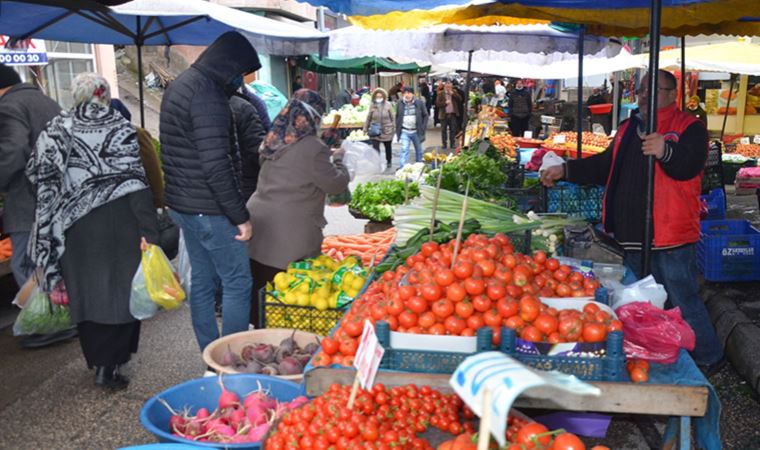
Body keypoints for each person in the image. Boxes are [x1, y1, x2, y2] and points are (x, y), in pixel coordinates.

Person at [540, 70, 725, 374]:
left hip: (670, 235)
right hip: (629, 234)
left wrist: (665, 151)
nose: (643, 96)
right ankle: (655, 353)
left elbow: (689, 168)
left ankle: (709, 356)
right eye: (640, 91)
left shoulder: (689, 128)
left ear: (671, 94)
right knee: (639, 303)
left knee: (682, 298)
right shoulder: (628, 128)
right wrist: (566, 169)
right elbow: (604, 166)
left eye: (652, 91)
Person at [26, 73, 158, 390]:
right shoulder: (119, 129)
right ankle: (110, 367)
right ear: (105, 95)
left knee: (87, 294)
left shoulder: (55, 131)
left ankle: (98, 362)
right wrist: (148, 229)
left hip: (72, 230)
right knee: (119, 296)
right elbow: (137, 185)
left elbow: (38, 180)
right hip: (118, 225)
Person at [159, 31, 259, 354]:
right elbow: (217, 165)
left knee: (202, 281)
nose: (239, 81)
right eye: (240, 72)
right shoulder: (208, 96)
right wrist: (240, 216)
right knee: (237, 281)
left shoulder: (181, 85)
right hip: (210, 209)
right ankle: (229, 360)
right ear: (228, 65)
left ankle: (209, 353)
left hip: (183, 205)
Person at [247, 89, 350, 326]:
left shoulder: (275, 138)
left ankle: (257, 334)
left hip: (260, 223)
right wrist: (339, 160)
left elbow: (296, 166)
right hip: (289, 234)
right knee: (287, 298)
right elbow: (334, 184)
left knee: (262, 290)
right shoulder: (313, 147)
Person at [0, 63, 62, 288]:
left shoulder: (7, 106)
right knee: (56, 265)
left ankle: (46, 320)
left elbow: (13, 149)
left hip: (28, 203)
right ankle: (67, 316)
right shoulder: (48, 102)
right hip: (59, 200)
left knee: (27, 266)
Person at [231, 92, 267, 200]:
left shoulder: (191, 104)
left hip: (200, 190)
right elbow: (257, 149)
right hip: (244, 183)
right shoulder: (243, 107)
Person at [396, 87, 428, 167]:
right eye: (405, 93)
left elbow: (425, 115)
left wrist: (423, 128)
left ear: (413, 94)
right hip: (405, 131)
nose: (407, 95)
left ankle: (419, 166)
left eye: (409, 93)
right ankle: (402, 168)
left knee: (419, 150)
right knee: (404, 149)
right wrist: (397, 128)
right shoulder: (400, 103)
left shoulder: (419, 103)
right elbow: (397, 116)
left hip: (416, 131)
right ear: (403, 94)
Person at [364, 88, 395, 167]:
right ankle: (377, 162)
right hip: (375, 129)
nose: (379, 98)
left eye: (380, 96)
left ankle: (389, 161)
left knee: (388, 146)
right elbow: (368, 117)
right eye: (377, 97)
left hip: (387, 129)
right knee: (375, 147)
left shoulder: (388, 105)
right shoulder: (372, 105)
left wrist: (393, 128)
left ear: (384, 97)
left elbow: (393, 117)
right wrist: (365, 128)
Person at [436, 82, 463, 150]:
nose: (448, 88)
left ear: (451, 87)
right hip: (443, 115)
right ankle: (444, 144)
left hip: (452, 114)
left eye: (450, 87)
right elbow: (437, 104)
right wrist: (445, 103)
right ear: (445, 87)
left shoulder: (454, 92)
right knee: (443, 130)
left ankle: (452, 144)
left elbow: (460, 99)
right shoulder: (441, 93)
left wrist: (453, 94)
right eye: (447, 87)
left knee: (453, 130)